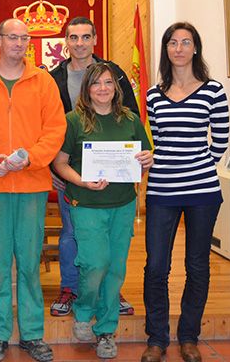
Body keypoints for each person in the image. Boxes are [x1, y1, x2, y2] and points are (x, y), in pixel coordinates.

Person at [0, 18, 66, 362]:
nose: (18, 43)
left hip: (32, 185)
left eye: (24, 38)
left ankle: (33, 333)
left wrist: (30, 159)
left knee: (30, 263)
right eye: (12, 37)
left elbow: (55, 130)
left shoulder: (43, 82)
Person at [51, 63, 153, 359]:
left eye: (108, 83)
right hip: (87, 203)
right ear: (87, 89)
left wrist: (147, 159)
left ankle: (106, 330)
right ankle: (83, 311)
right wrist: (82, 181)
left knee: (116, 268)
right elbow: (60, 163)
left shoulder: (130, 119)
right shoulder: (73, 120)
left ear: (116, 88)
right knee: (95, 264)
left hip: (122, 204)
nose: (103, 88)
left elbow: (144, 158)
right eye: (96, 83)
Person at [141, 22, 229, 362]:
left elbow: (220, 142)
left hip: (202, 192)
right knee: (156, 267)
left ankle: (189, 337)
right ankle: (157, 338)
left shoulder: (213, 91)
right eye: (172, 42)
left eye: (186, 42)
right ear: (166, 49)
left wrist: (194, 163)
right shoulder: (152, 94)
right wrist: (164, 160)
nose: (178, 48)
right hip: (162, 190)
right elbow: (158, 142)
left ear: (195, 48)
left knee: (197, 266)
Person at [48, 17, 139, 317]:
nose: (80, 43)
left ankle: (110, 292)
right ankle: (70, 289)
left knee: (113, 240)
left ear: (95, 39)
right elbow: (47, 127)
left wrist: (132, 165)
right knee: (71, 234)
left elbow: (131, 118)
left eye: (86, 37)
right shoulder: (53, 78)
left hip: (114, 177)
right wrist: (54, 168)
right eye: (73, 38)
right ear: (66, 42)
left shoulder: (113, 73)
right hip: (70, 174)